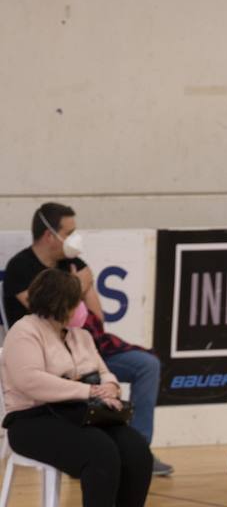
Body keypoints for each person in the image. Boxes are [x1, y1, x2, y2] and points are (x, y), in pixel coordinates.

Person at [2, 202, 172, 476]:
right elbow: (46, 310)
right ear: (49, 235)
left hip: (86, 345)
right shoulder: (21, 267)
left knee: (146, 364)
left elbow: (96, 317)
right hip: (49, 353)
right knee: (81, 378)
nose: (75, 239)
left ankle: (140, 448)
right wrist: (78, 285)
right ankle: (86, 453)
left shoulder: (75, 263)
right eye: (69, 232)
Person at [0, 269, 152, 507]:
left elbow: (103, 370)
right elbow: (30, 380)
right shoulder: (25, 331)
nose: (80, 307)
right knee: (100, 451)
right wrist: (87, 389)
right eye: (75, 301)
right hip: (31, 419)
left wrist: (109, 386)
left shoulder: (81, 336)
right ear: (60, 302)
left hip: (80, 413)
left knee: (137, 451)